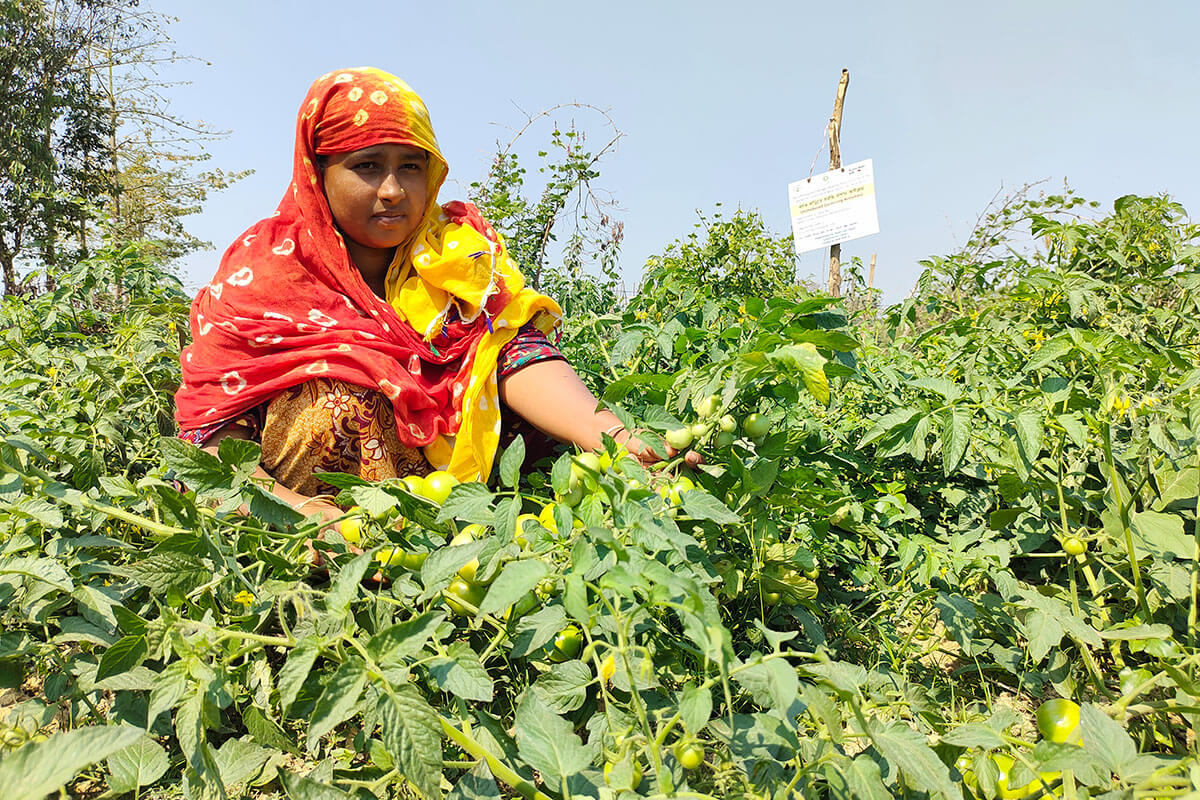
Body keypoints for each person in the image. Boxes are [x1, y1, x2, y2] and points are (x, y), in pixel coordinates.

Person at [174, 67, 692, 534]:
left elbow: (510, 351)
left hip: (450, 547)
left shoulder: (453, 256)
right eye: (368, 166)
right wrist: (298, 516)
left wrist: (615, 439)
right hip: (293, 548)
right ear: (318, 172)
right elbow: (210, 437)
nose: (394, 189)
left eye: (412, 167)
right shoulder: (264, 273)